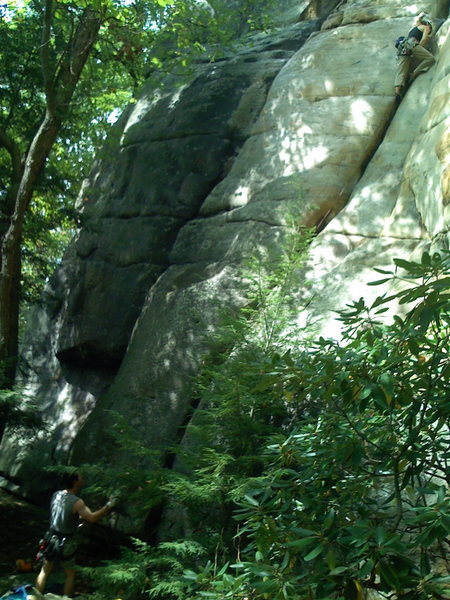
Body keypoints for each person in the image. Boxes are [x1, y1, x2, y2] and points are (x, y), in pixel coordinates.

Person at [36, 471, 113, 597]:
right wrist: (108, 506)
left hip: (50, 539)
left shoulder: (57, 495)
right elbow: (92, 518)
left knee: (45, 570)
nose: (83, 478)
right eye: (80, 477)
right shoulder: (77, 502)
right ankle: (65, 599)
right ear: (75, 481)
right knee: (70, 574)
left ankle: (36, 597)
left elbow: (62, 515)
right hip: (66, 543)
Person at [394, 12, 435, 102]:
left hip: (403, 47)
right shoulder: (426, 27)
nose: (429, 30)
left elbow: (417, 20)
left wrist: (420, 15)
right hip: (412, 44)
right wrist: (420, 48)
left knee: (402, 70)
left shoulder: (414, 28)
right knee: (430, 58)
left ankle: (397, 92)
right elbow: (424, 39)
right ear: (428, 24)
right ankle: (413, 74)